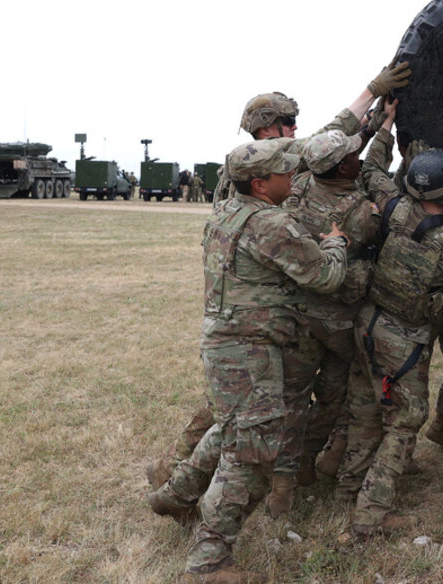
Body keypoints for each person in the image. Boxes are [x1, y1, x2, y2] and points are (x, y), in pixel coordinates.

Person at [146, 60, 411, 493]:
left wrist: (369, 121)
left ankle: (185, 472)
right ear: (268, 127)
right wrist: (371, 93)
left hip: (258, 306)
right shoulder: (259, 172)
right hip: (254, 311)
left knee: (237, 403)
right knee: (234, 408)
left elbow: (323, 145)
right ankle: (176, 475)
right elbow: (318, 148)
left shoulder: (256, 167)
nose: (294, 129)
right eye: (288, 123)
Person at [147, 139, 350, 584]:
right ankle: (209, 561)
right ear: (260, 184)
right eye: (284, 172)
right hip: (249, 351)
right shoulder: (272, 224)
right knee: (253, 456)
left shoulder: (226, 210)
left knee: (231, 430)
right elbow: (326, 276)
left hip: (226, 343)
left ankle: (175, 496)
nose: (292, 176)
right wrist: (335, 243)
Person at [335, 100, 443, 538]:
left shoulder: (393, 207)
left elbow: (371, 171)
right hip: (403, 340)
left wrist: (384, 126)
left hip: (368, 323)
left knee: (366, 409)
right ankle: (370, 516)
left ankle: (347, 489)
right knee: (405, 419)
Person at [263, 128, 380, 517]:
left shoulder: (298, 190)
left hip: (298, 315)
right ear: (341, 167)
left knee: (293, 399)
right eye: (352, 156)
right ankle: (313, 456)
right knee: (336, 394)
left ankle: (284, 484)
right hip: (339, 322)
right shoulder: (361, 212)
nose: (358, 158)